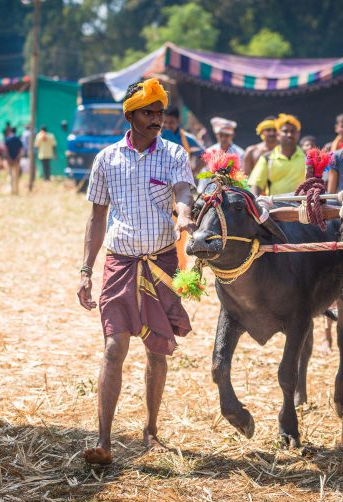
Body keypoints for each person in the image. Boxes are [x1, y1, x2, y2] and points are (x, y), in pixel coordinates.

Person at [77, 78, 196, 465]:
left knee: (156, 352)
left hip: (162, 264)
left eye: (160, 112)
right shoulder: (106, 159)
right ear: (130, 116)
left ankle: (151, 430)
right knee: (114, 350)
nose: (157, 118)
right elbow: (96, 217)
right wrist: (85, 271)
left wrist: (185, 218)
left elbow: (183, 193)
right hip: (120, 264)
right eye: (148, 112)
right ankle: (104, 441)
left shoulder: (174, 153)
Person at [249, 113, 305, 196]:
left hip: (301, 206)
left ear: (298, 134)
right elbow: (256, 185)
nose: (289, 135)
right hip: (274, 206)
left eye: (292, 131)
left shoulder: (307, 157)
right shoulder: (267, 158)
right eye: (285, 131)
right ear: (278, 135)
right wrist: (255, 204)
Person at [199, 117, 245, 192]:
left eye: (227, 135)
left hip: (233, 192)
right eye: (221, 135)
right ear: (216, 135)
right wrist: (202, 192)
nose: (223, 138)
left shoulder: (240, 153)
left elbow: (242, 176)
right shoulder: (209, 152)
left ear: (232, 135)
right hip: (210, 193)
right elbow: (204, 174)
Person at [5, 127, 24, 195]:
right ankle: (17, 190)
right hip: (17, 160)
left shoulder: (7, 139)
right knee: (16, 175)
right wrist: (17, 158)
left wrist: (9, 158)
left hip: (9, 160)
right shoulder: (18, 139)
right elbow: (20, 150)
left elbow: (6, 150)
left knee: (10, 175)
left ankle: (11, 189)